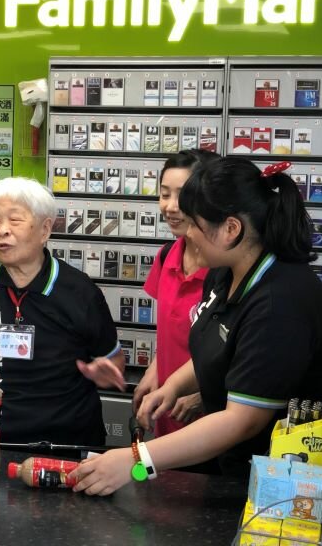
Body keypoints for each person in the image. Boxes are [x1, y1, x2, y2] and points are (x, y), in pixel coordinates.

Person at [71, 158, 322, 495]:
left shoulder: (280, 305)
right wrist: (173, 384)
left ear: (231, 229)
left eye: (194, 225)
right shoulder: (224, 272)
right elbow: (219, 345)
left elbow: (241, 420)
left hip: (279, 485)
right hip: (227, 466)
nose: (185, 234)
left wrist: (135, 459)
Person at [0, 177, 126, 448]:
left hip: (68, 442)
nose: (2, 231)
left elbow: (114, 359)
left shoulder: (79, 291)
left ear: (45, 230)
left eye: (15, 220)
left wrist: (105, 371)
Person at [133, 149, 219, 438]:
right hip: (168, 412)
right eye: (164, 194)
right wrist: (155, 371)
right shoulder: (166, 255)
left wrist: (205, 396)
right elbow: (170, 333)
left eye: (181, 195)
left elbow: (239, 352)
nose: (170, 206)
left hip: (213, 421)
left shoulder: (226, 269)